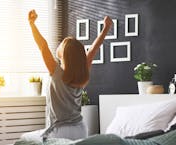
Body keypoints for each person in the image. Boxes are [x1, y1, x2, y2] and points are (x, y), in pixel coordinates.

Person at [21, 9, 113, 142]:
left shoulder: (56, 72)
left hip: (59, 130)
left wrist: (32, 24)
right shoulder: (83, 72)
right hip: (80, 129)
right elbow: (94, 48)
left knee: (26, 140)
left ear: (63, 54)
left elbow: (43, 46)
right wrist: (106, 28)